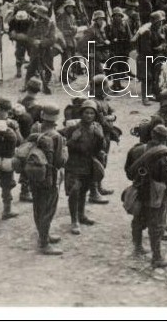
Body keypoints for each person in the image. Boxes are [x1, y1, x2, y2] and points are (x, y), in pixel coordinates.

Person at [125, 124, 167, 268]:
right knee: (157, 225)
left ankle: (138, 247)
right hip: (156, 194)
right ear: (165, 138)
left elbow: (128, 172)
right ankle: (157, 258)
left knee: (138, 219)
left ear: (152, 135)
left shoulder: (137, 150)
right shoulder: (163, 154)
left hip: (139, 190)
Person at [24, 104, 68, 255]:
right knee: (48, 209)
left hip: (34, 175)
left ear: (43, 115)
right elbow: (60, 161)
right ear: (56, 118)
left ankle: (44, 235)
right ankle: (44, 243)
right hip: (50, 178)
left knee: (38, 206)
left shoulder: (35, 129)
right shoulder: (57, 136)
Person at [62, 100, 104, 233]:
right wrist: (73, 139)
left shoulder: (97, 127)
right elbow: (64, 147)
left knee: (84, 191)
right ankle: (74, 221)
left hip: (88, 164)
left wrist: (100, 138)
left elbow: (99, 149)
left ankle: (81, 215)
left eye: (92, 113)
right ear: (81, 113)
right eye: (86, 112)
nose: (89, 115)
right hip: (74, 164)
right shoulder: (73, 128)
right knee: (74, 191)